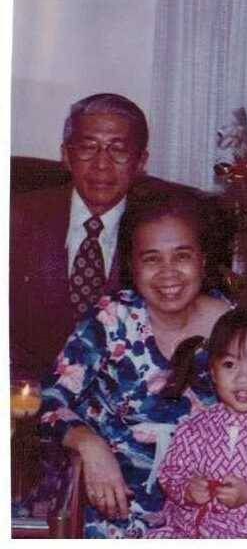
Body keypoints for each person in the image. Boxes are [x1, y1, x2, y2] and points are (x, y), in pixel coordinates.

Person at [39, 190, 232, 538]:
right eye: (152, 259)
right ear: (132, 265)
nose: (168, 273)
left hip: (206, 514)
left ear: (204, 259)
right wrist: (88, 443)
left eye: (182, 256)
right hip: (110, 508)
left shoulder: (234, 330)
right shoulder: (112, 318)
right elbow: (50, 401)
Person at [11, 93, 149, 381]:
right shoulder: (17, 217)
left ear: (140, 162)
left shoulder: (157, 229)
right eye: (88, 147)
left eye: (118, 149)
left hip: (113, 401)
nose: (101, 164)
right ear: (65, 155)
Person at [145, 308, 247, 538]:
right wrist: (187, 489)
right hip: (193, 530)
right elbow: (171, 473)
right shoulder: (194, 428)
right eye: (229, 365)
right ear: (213, 371)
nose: (243, 378)